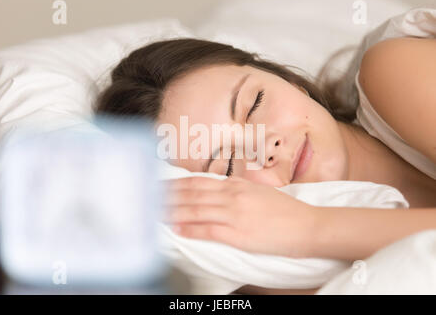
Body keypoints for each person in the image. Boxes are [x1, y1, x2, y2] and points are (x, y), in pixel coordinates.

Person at [95, 37, 436, 294]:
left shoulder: (394, 70)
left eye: (254, 104)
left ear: (290, 81)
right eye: (228, 164)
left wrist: (312, 227)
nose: (266, 146)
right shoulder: (278, 276)